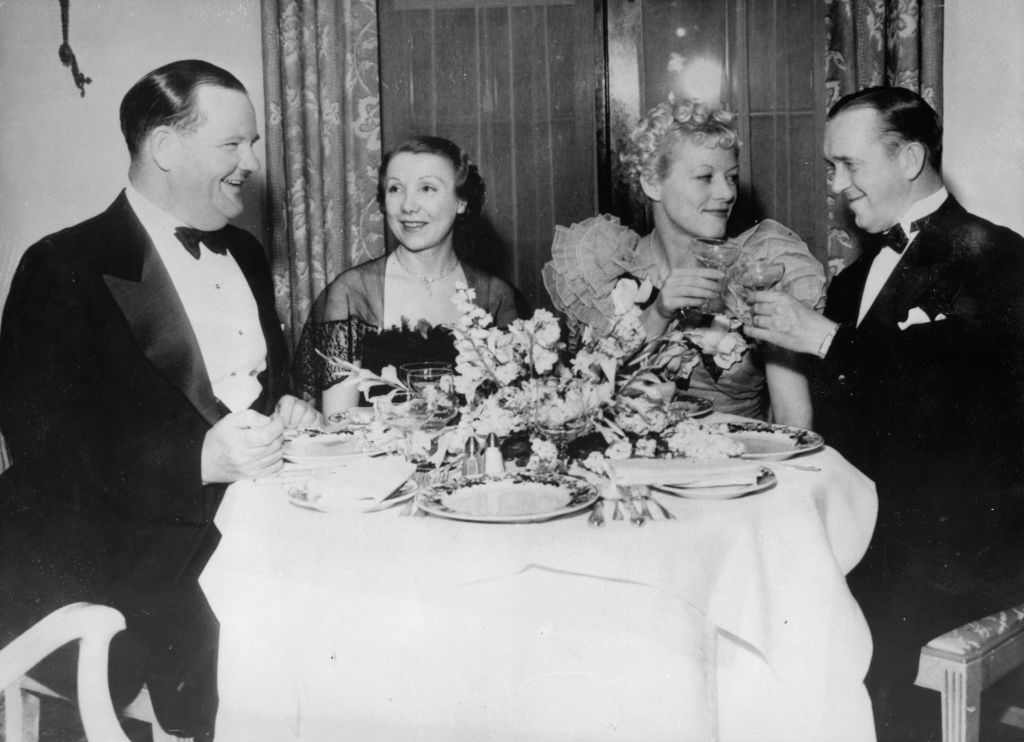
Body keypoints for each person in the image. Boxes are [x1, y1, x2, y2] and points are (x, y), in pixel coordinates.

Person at [0, 59, 319, 740]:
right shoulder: (61, 265)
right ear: (166, 148)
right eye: (233, 145)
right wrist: (195, 458)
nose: (250, 163)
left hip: (254, 519)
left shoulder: (247, 254)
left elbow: (268, 378)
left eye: (252, 144)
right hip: (125, 554)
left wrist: (287, 405)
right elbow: (43, 447)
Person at [746, 86, 1024, 740]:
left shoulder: (999, 258)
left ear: (909, 158)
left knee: (828, 651)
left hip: (955, 547)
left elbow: (959, 404)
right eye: (830, 169)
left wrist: (818, 338)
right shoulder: (850, 281)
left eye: (850, 165)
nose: (838, 186)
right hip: (869, 532)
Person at [542, 100, 826, 426]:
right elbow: (585, 402)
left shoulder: (760, 267)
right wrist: (659, 312)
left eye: (731, 177)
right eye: (705, 176)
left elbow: (794, 418)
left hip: (738, 468)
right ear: (652, 182)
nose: (725, 192)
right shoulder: (606, 269)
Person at [293, 135, 527, 417]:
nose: (408, 206)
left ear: (462, 201)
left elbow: (513, 415)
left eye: (427, 188)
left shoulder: (496, 297)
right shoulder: (351, 293)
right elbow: (339, 422)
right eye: (395, 189)